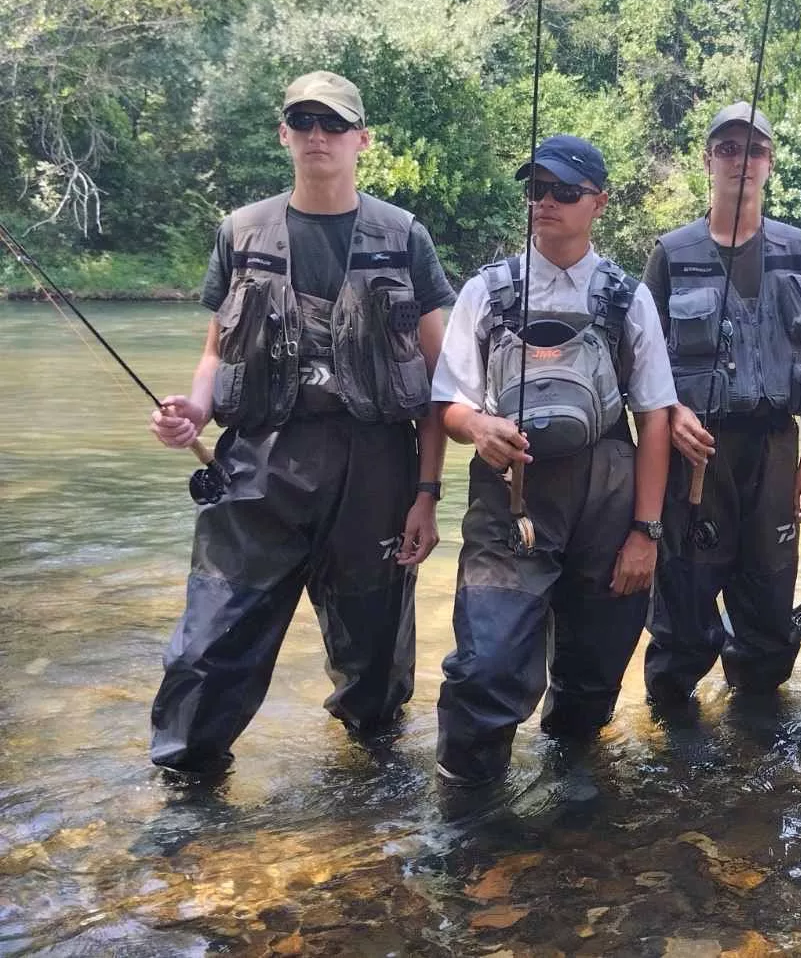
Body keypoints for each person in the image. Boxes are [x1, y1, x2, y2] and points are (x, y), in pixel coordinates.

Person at [148, 70, 454, 776]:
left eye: (335, 123)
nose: (320, 135)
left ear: (361, 140)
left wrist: (427, 494)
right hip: (259, 463)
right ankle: (186, 792)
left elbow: (440, 385)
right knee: (211, 643)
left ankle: (372, 789)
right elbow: (215, 353)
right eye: (305, 122)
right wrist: (194, 409)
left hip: (376, 470)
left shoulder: (404, 236)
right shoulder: (239, 232)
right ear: (284, 133)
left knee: (374, 665)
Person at [430, 135, 674, 786]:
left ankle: (572, 799)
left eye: (564, 191)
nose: (546, 202)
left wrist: (645, 532)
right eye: (537, 189)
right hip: (508, 497)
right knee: (486, 665)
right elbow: (448, 403)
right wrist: (477, 426)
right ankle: (466, 805)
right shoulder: (485, 292)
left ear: (599, 202)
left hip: (610, 499)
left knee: (594, 674)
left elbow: (655, 418)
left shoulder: (630, 298)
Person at [642, 102, 801, 703]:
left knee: (770, 597)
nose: (741, 162)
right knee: (685, 595)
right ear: (708, 161)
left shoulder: (797, 249)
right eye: (727, 149)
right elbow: (643, 364)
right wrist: (673, 414)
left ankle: (757, 718)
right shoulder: (671, 253)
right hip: (698, 454)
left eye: (754, 150)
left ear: (769, 163)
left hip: (776, 447)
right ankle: (670, 719)